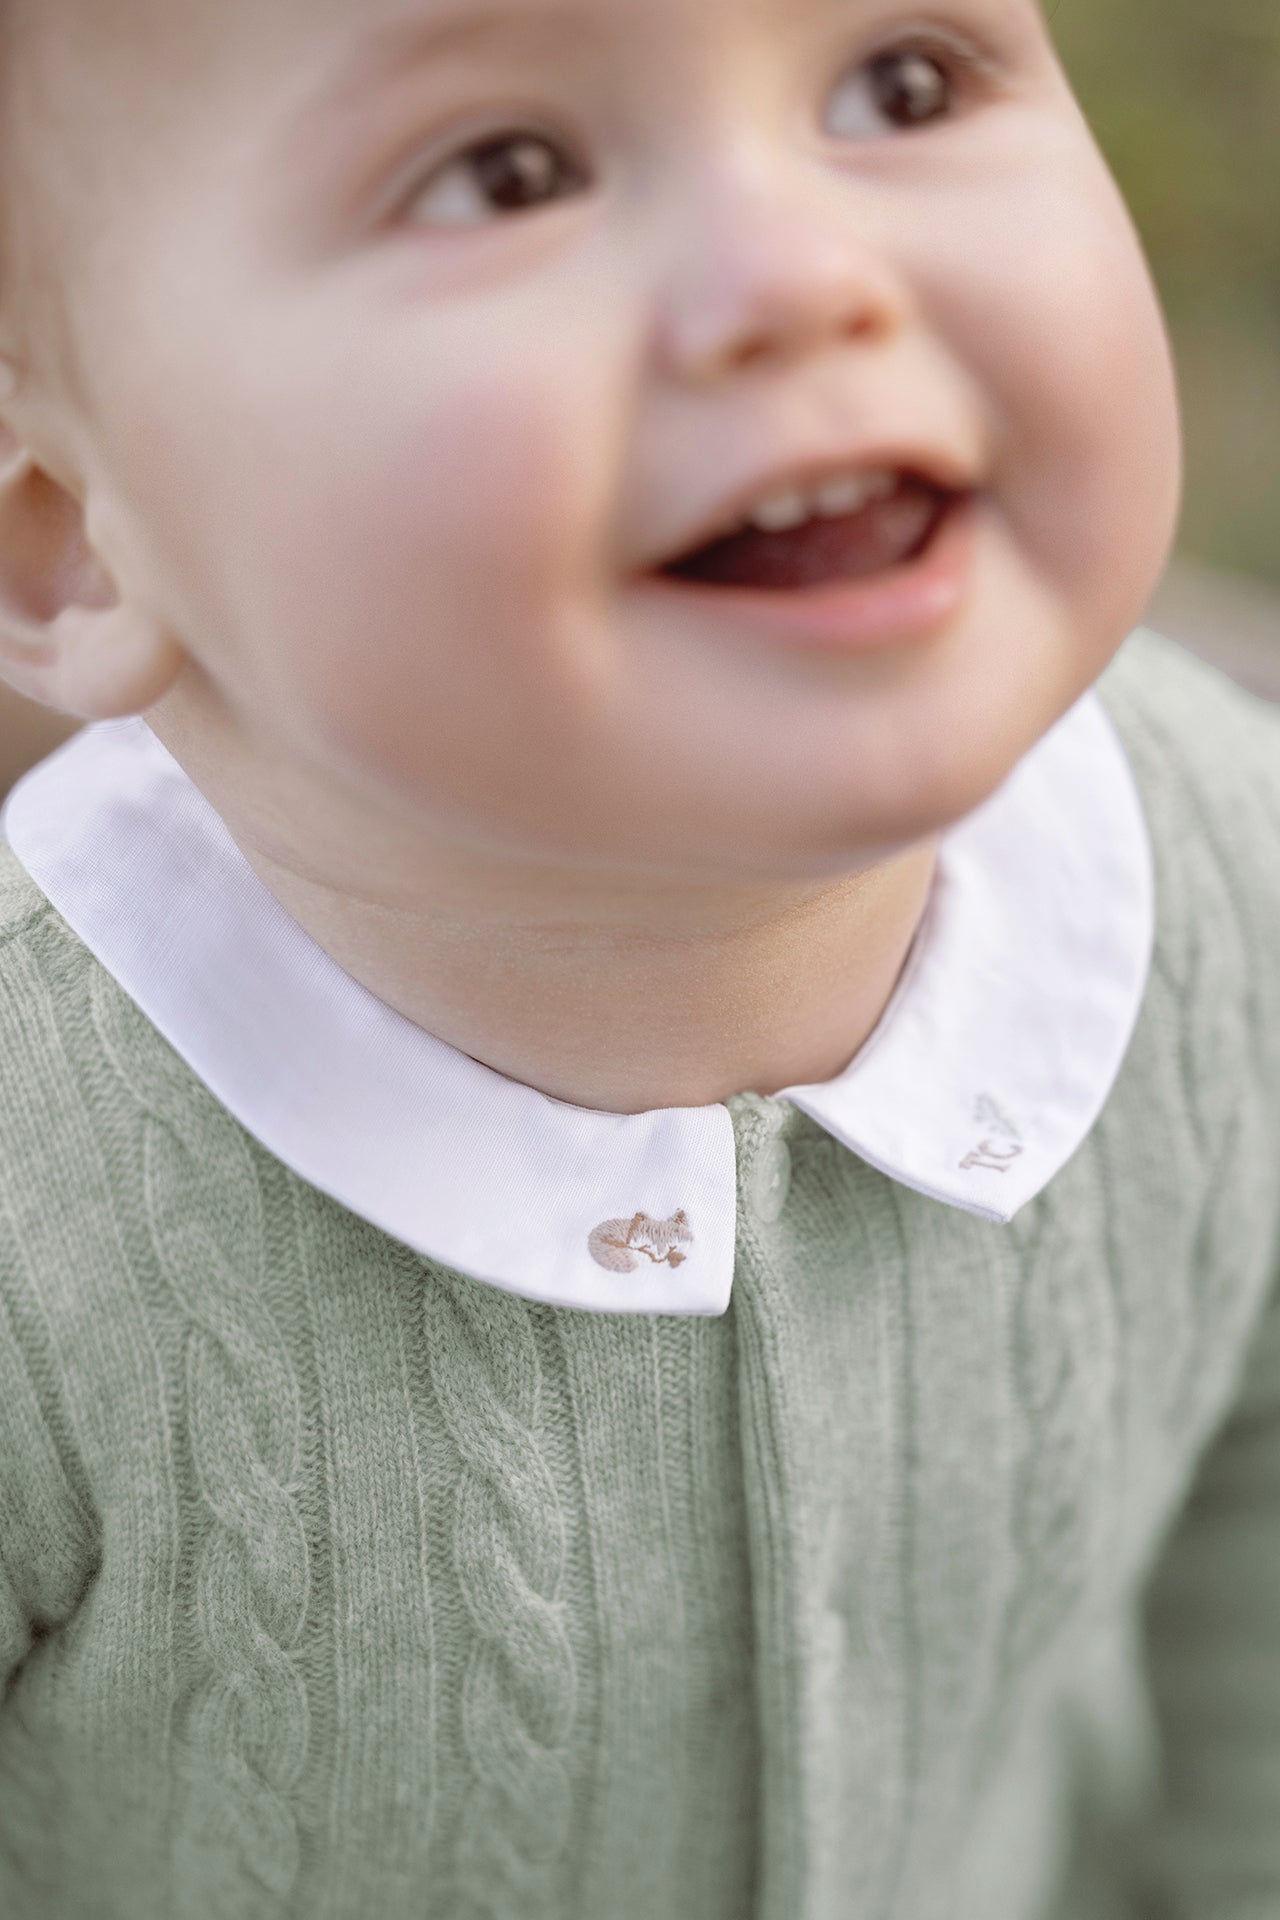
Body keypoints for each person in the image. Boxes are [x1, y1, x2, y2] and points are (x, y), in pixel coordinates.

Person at [0, 0, 1275, 1914]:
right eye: (506, 174)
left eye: (903, 82)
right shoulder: (41, 1222)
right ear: (77, 538)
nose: (804, 274)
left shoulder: (1221, 877)